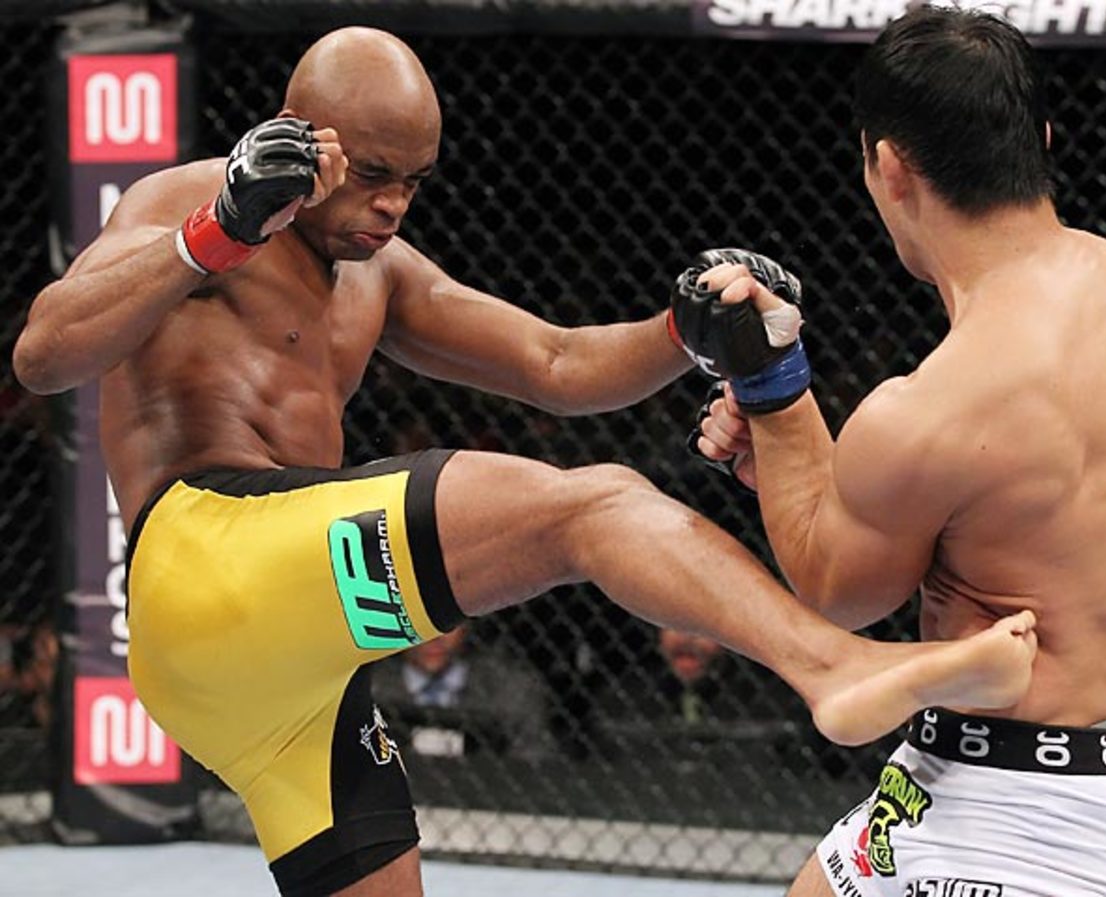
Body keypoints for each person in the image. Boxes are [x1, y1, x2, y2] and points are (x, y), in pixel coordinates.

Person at [13, 26, 1038, 897]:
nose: (392, 207)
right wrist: (219, 229)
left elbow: (556, 364)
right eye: (371, 175)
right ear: (301, 137)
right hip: (199, 562)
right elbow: (45, 353)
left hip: (285, 669)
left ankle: (833, 664)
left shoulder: (380, 270)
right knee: (593, 506)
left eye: (413, 183)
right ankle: (833, 665)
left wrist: (681, 329)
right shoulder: (187, 202)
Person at [684, 8, 1106, 896]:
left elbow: (839, 591)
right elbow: (990, 502)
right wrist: (785, 440)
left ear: (889, 167)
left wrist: (773, 391)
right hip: (989, 778)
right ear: (1039, 140)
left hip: (1005, 825)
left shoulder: (934, 407)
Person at [371, 621, 555, 761]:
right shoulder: (369, 687)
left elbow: (534, 760)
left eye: (447, 623)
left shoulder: (511, 688)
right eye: (421, 623)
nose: (434, 638)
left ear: (467, 626)